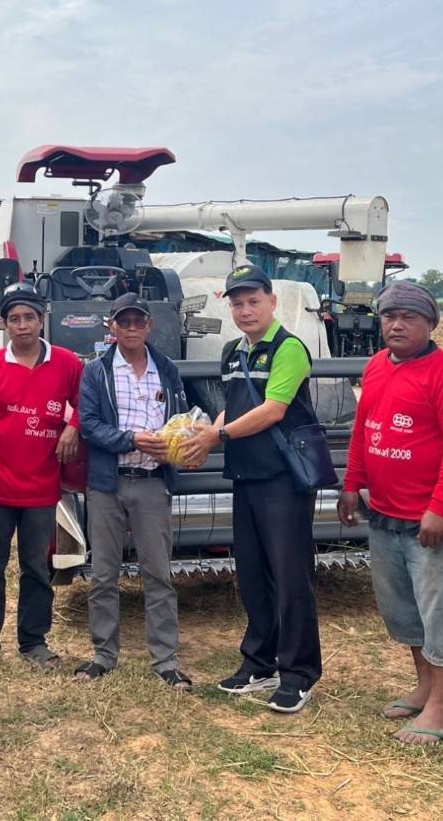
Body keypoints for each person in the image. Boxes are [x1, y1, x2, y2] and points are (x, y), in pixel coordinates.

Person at [337, 282, 443, 746]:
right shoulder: (377, 366)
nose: (396, 325)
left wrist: (441, 508)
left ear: (431, 324)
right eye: (389, 316)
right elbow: (364, 429)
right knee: (404, 609)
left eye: (409, 318)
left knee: (441, 612)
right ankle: (424, 687)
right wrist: (352, 484)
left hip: (429, 521)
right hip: (384, 513)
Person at [183, 263, 323, 715]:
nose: (246, 310)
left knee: (291, 578)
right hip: (246, 475)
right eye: (238, 303)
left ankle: (298, 673)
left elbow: (273, 410)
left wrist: (217, 436)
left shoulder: (289, 348)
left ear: (272, 302)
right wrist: (206, 433)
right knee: (253, 576)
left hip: (283, 480)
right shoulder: (232, 352)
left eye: (254, 301)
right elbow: (235, 406)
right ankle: (260, 662)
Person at [0, 281, 84, 675]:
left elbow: (88, 403)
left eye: (29, 317)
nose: (22, 325)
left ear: (41, 319)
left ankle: (33, 641)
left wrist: (74, 427)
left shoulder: (66, 363)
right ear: (5, 324)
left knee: (36, 569)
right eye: (14, 319)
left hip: (41, 489)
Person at [75, 292, 194, 689]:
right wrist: (131, 440)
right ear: (111, 326)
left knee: (158, 573)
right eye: (123, 321)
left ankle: (165, 659)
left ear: (149, 325)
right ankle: (103, 654)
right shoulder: (97, 371)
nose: (130, 328)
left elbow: (181, 416)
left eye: (137, 321)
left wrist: (176, 443)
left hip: (152, 482)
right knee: (103, 574)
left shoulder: (167, 368)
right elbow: (89, 425)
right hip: (107, 484)